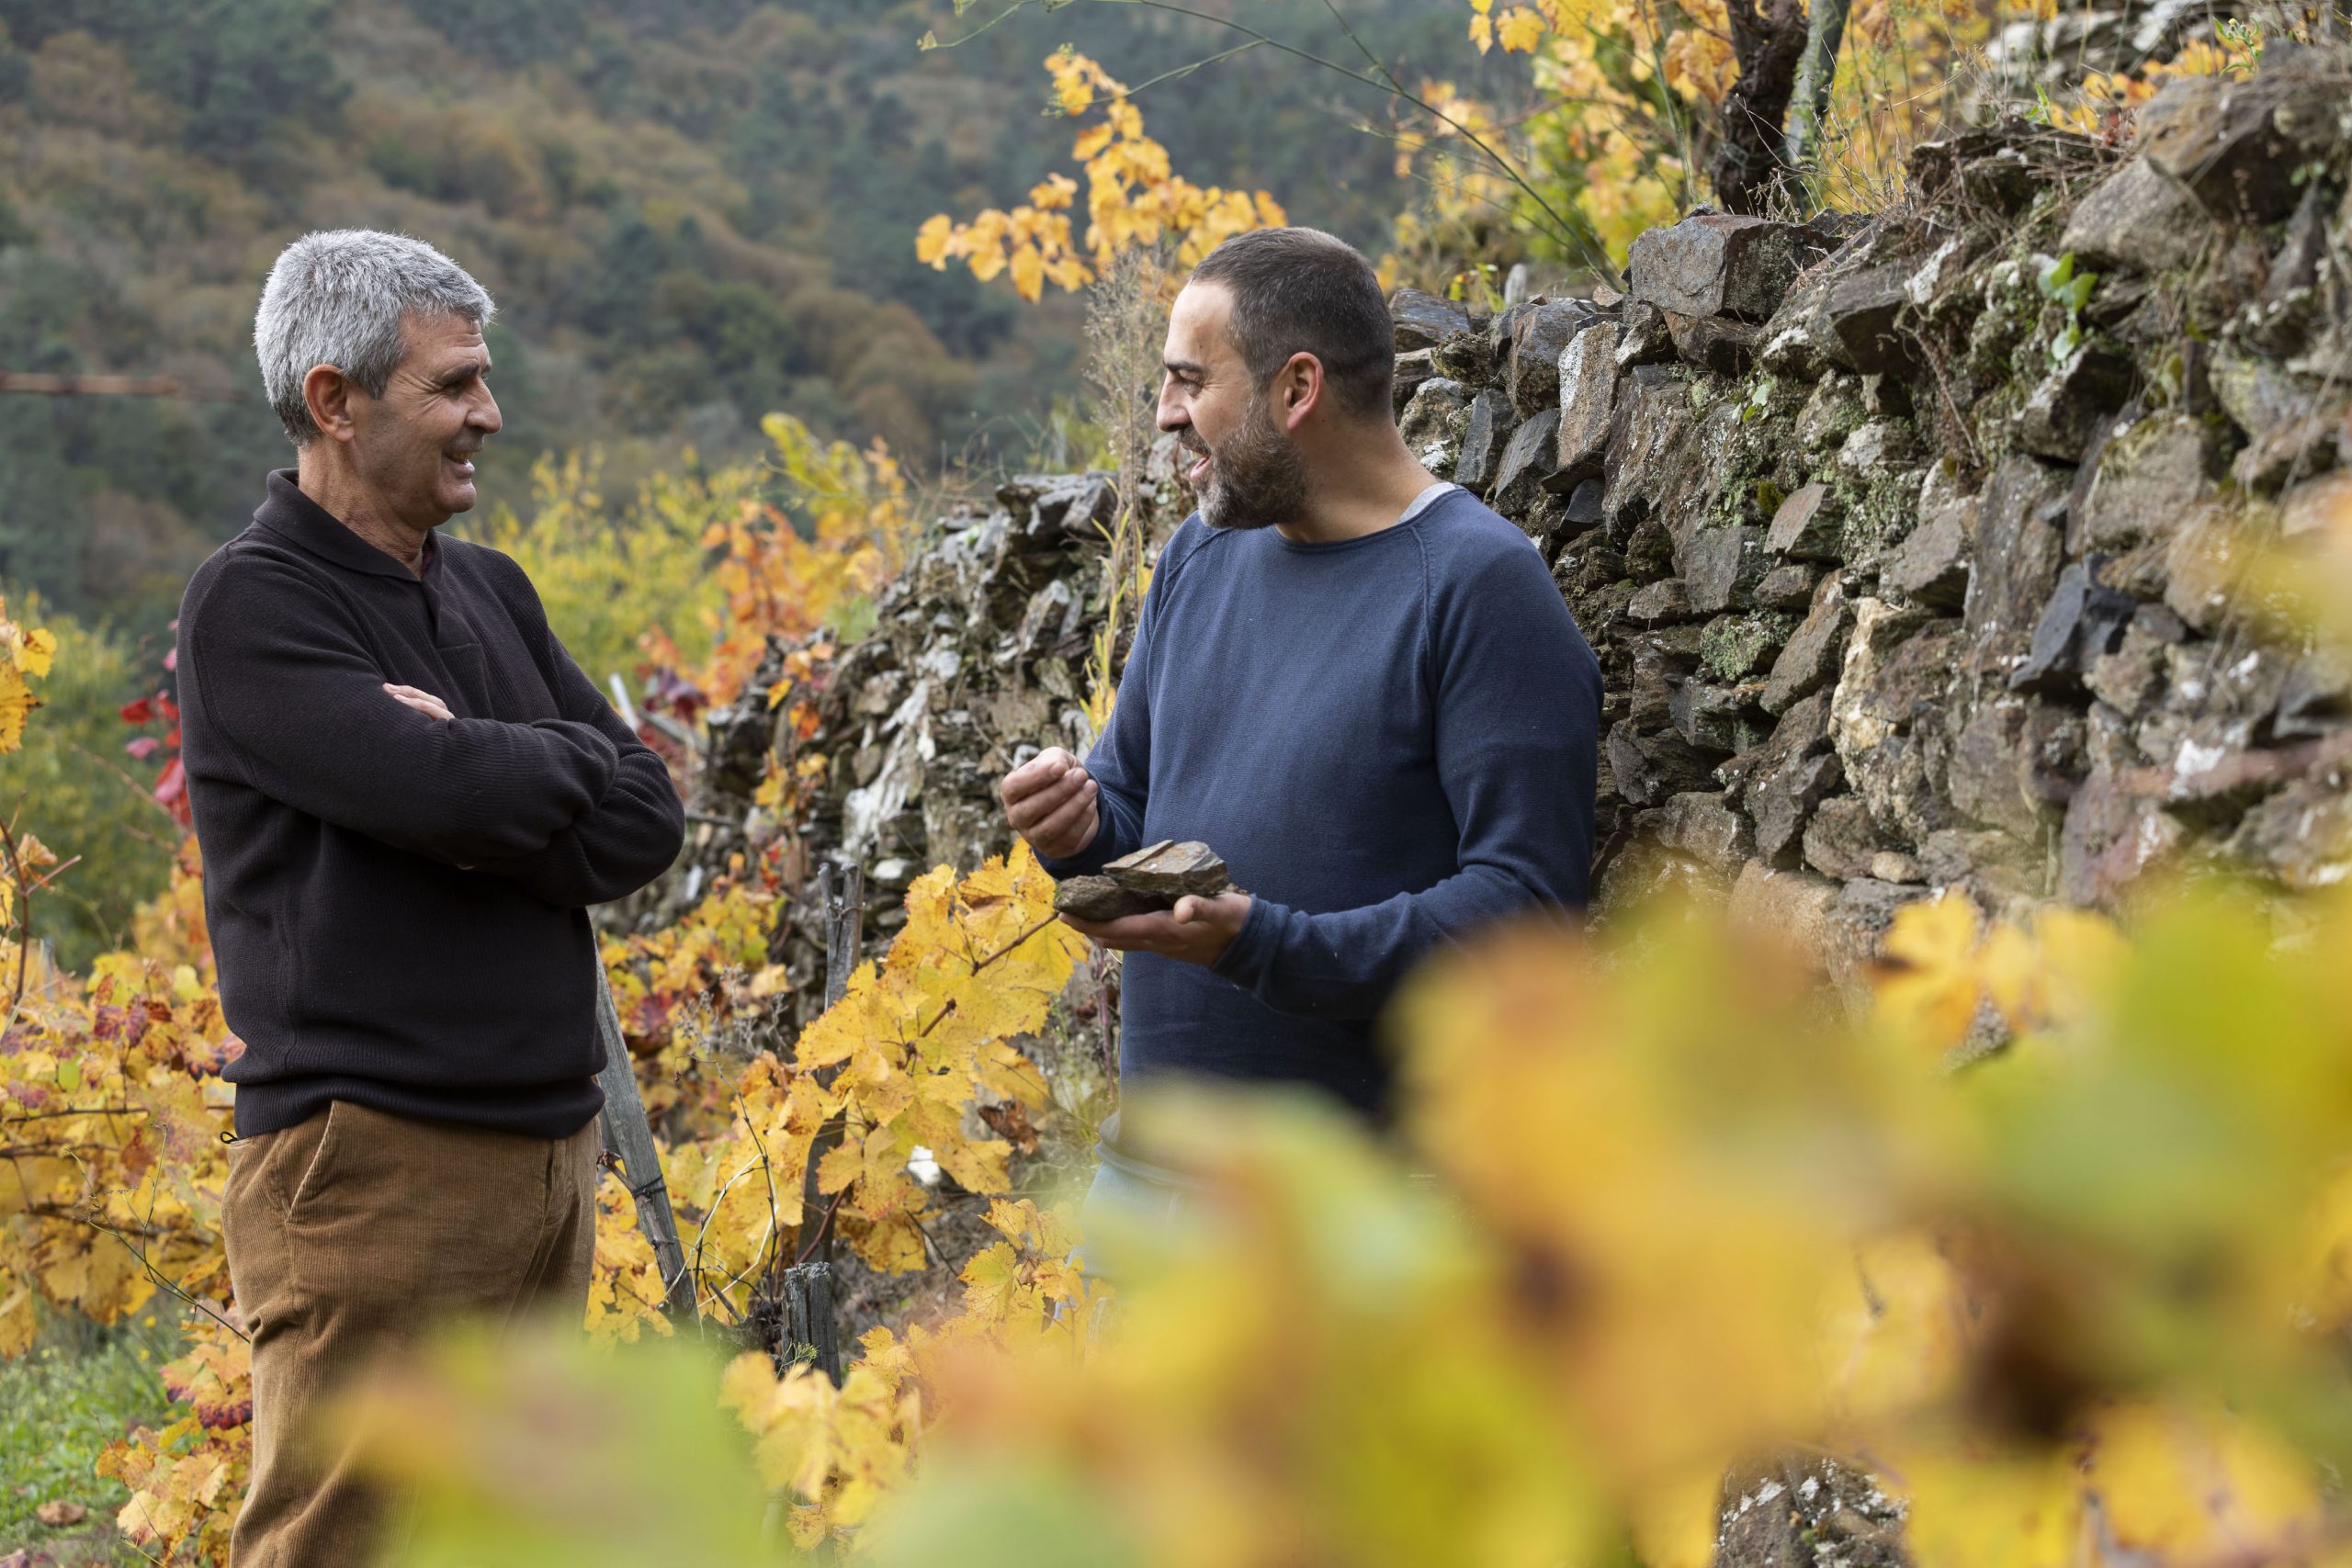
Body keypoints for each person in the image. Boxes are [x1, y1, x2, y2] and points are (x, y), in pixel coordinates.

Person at [176, 230, 684, 1566]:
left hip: (544, 1154)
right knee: (348, 1540)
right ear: (334, 400)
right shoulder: (249, 606)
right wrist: (515, 774)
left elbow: (646, 814)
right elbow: (463, 793)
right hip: (374, 1165)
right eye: (453, 385)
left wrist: (489, 763)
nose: (488, 415)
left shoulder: (488, 591)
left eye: (485, 378)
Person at [997, 226, 1602, 1249]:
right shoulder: (1198, 556)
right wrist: (1077, 826)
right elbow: (1137, 815)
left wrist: (1265, 944)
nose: (1163, 415)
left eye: (1190, 382)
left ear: (1297, 389)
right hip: (1150, 1198)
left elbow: (1527, 907)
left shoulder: (1476, 585)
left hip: (1363, 1215)